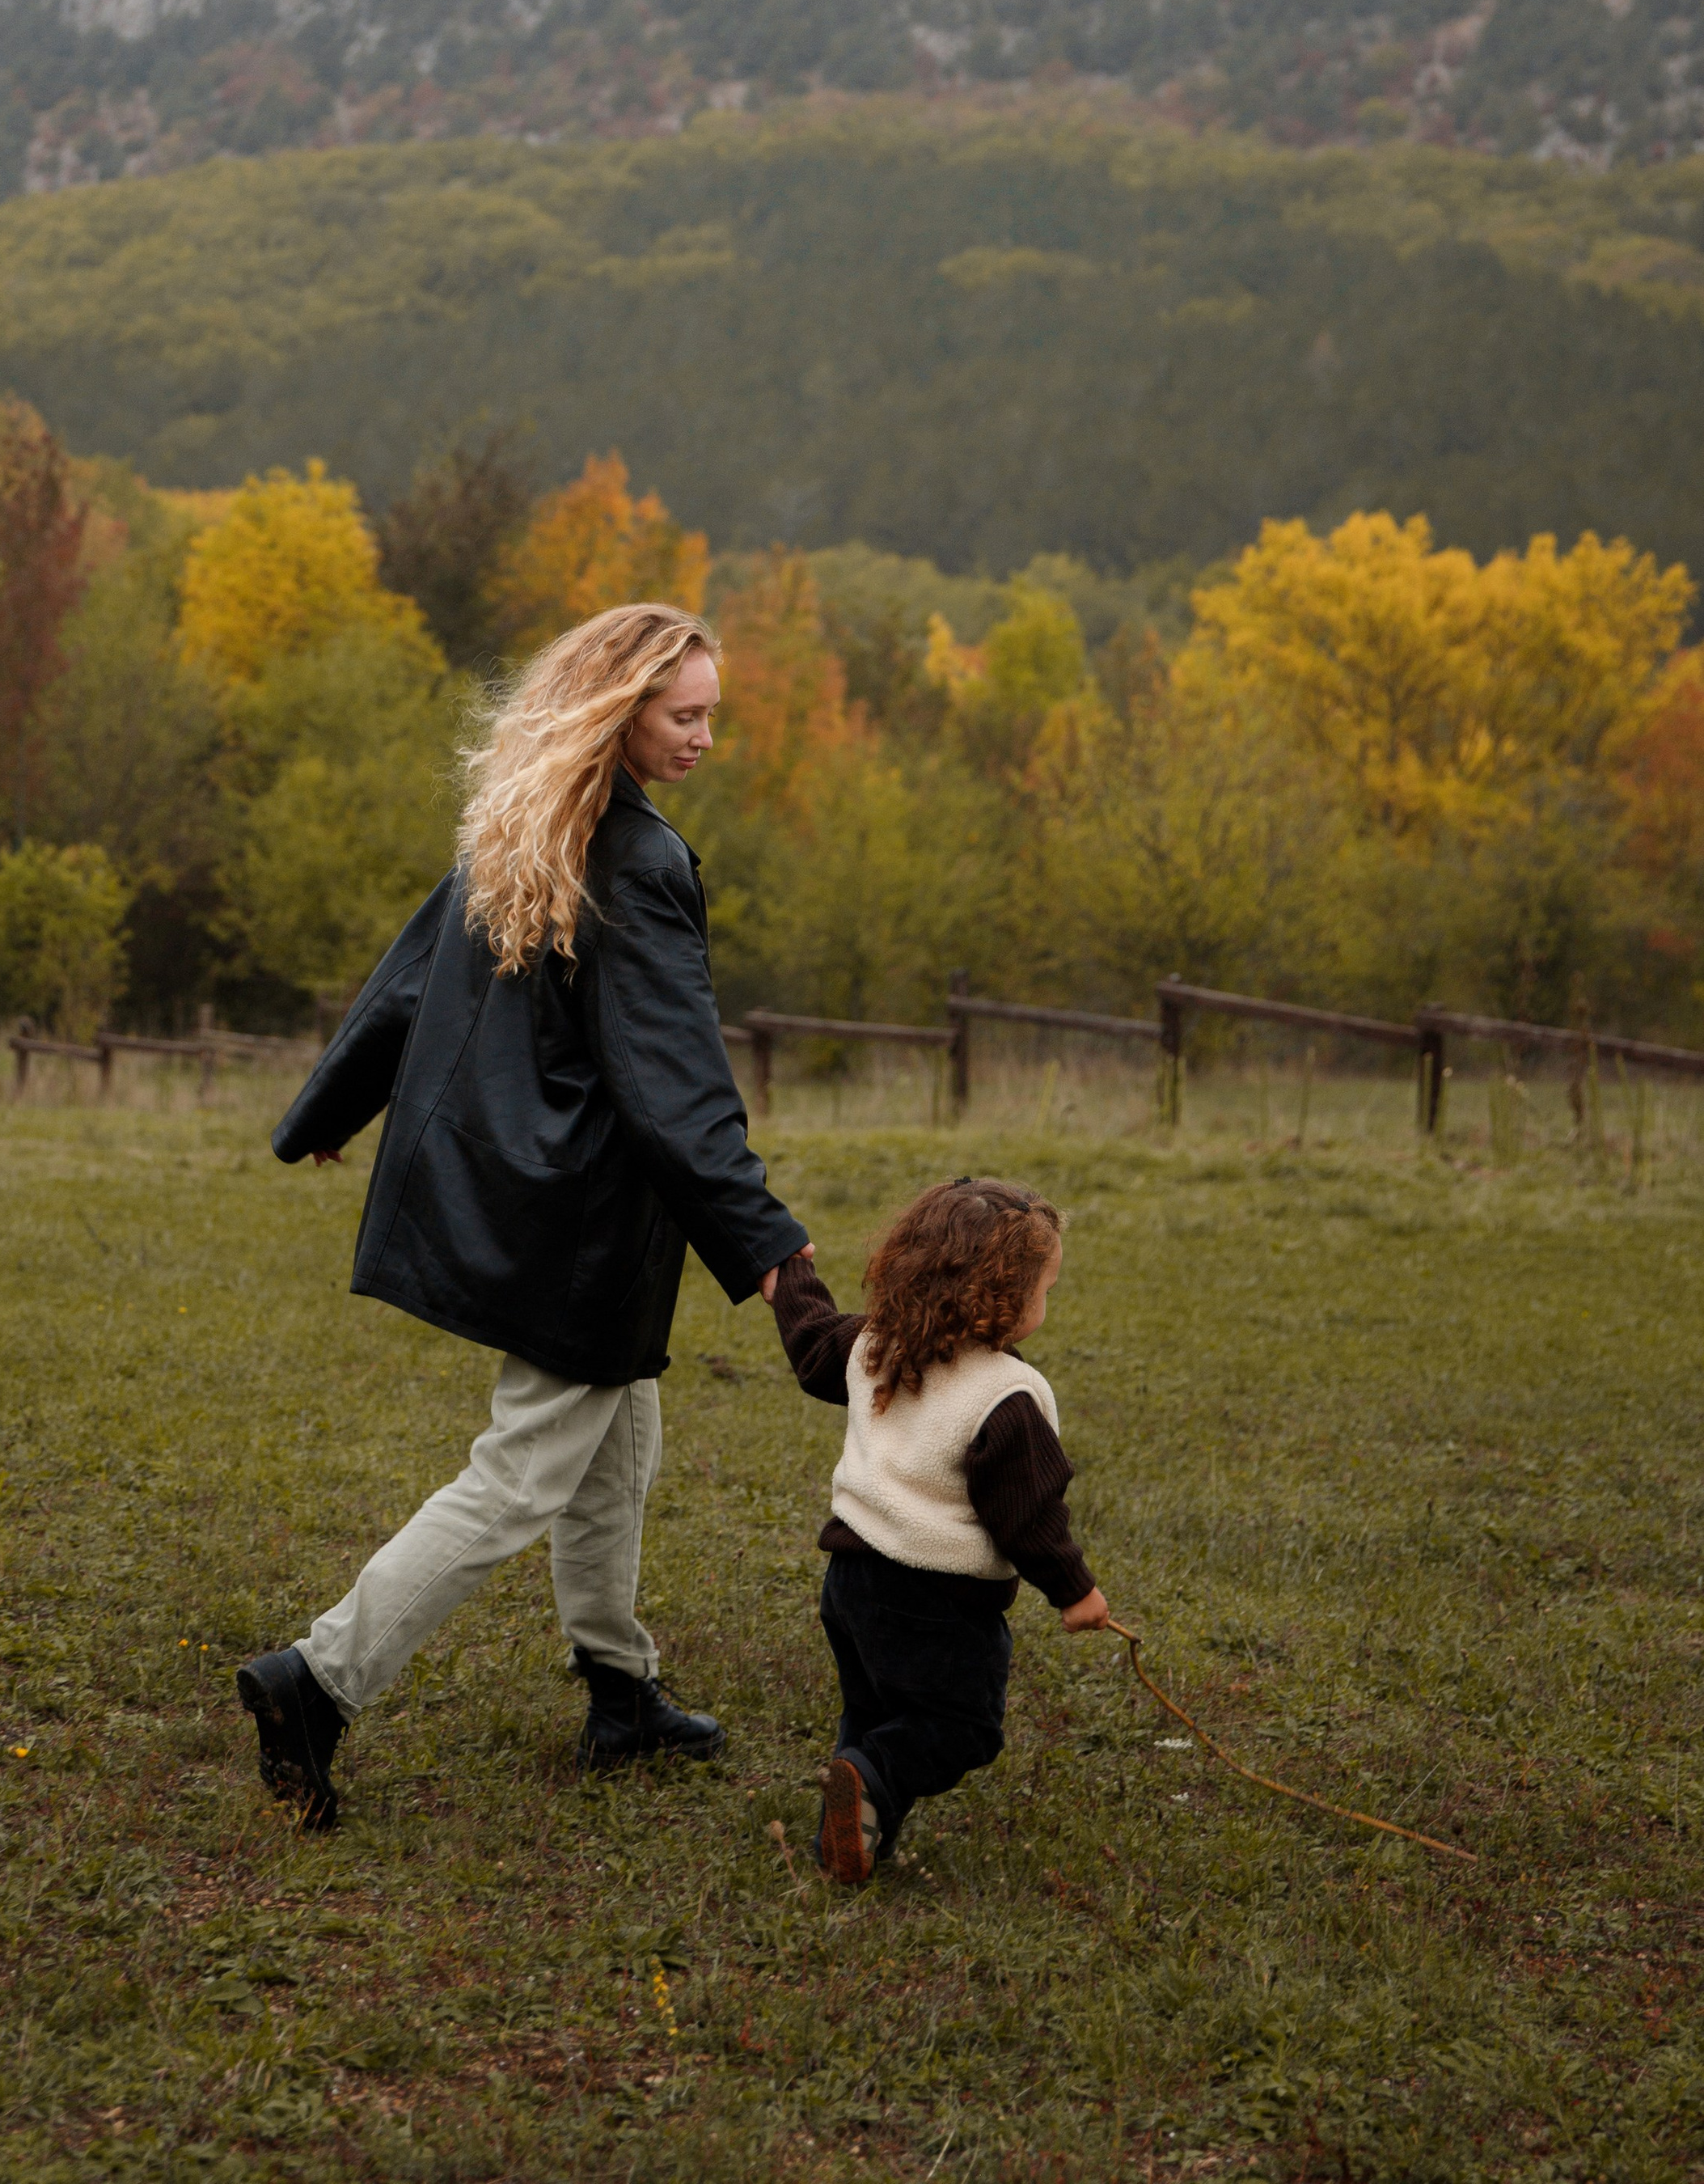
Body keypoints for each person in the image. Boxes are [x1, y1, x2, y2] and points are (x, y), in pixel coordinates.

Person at [237, 602, 813, 1831]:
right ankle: (318, 1679)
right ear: (620, 712)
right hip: (583, 1220)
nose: (710, 736)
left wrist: (322, 1110)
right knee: (523, 1473)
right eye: (686, 713)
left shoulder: (529, 816)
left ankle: (620, 1691)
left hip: (555, 1204)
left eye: (713, 711)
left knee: (619, 1451)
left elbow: (400, 986)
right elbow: (675, 1088)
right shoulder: (634, 859)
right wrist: (768, 1247)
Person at [763, 1176, 1109, 1883]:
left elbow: (808, 1341)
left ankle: (857, 1830)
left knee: (872, 1707)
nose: (1047, 1304)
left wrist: (791, 1274)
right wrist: (1075, 1591)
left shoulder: (876, 1344)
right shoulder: (1004, 1397)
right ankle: (869, 1780)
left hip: (852, 1580)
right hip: (939, 1600)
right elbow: (1029, 1516)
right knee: (961, 1728)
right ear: (1004, 1300)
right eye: (1045, 1289)